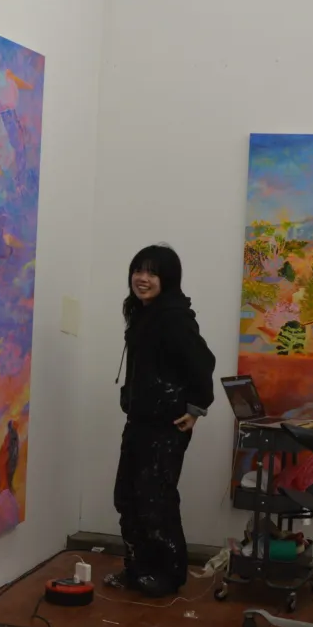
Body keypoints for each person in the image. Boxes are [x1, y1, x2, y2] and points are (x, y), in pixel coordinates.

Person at [108, 244, 216, 597]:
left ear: (167, 279)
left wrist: (197, 408)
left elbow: (203, 361)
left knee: (155, 500)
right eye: (138, 270)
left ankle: (168, 576)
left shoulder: (173, 316)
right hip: (140, 419)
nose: (143, 278)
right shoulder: (143, 313)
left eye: (152, 273)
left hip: (166, 424)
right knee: (127, 497)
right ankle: (138, 569)